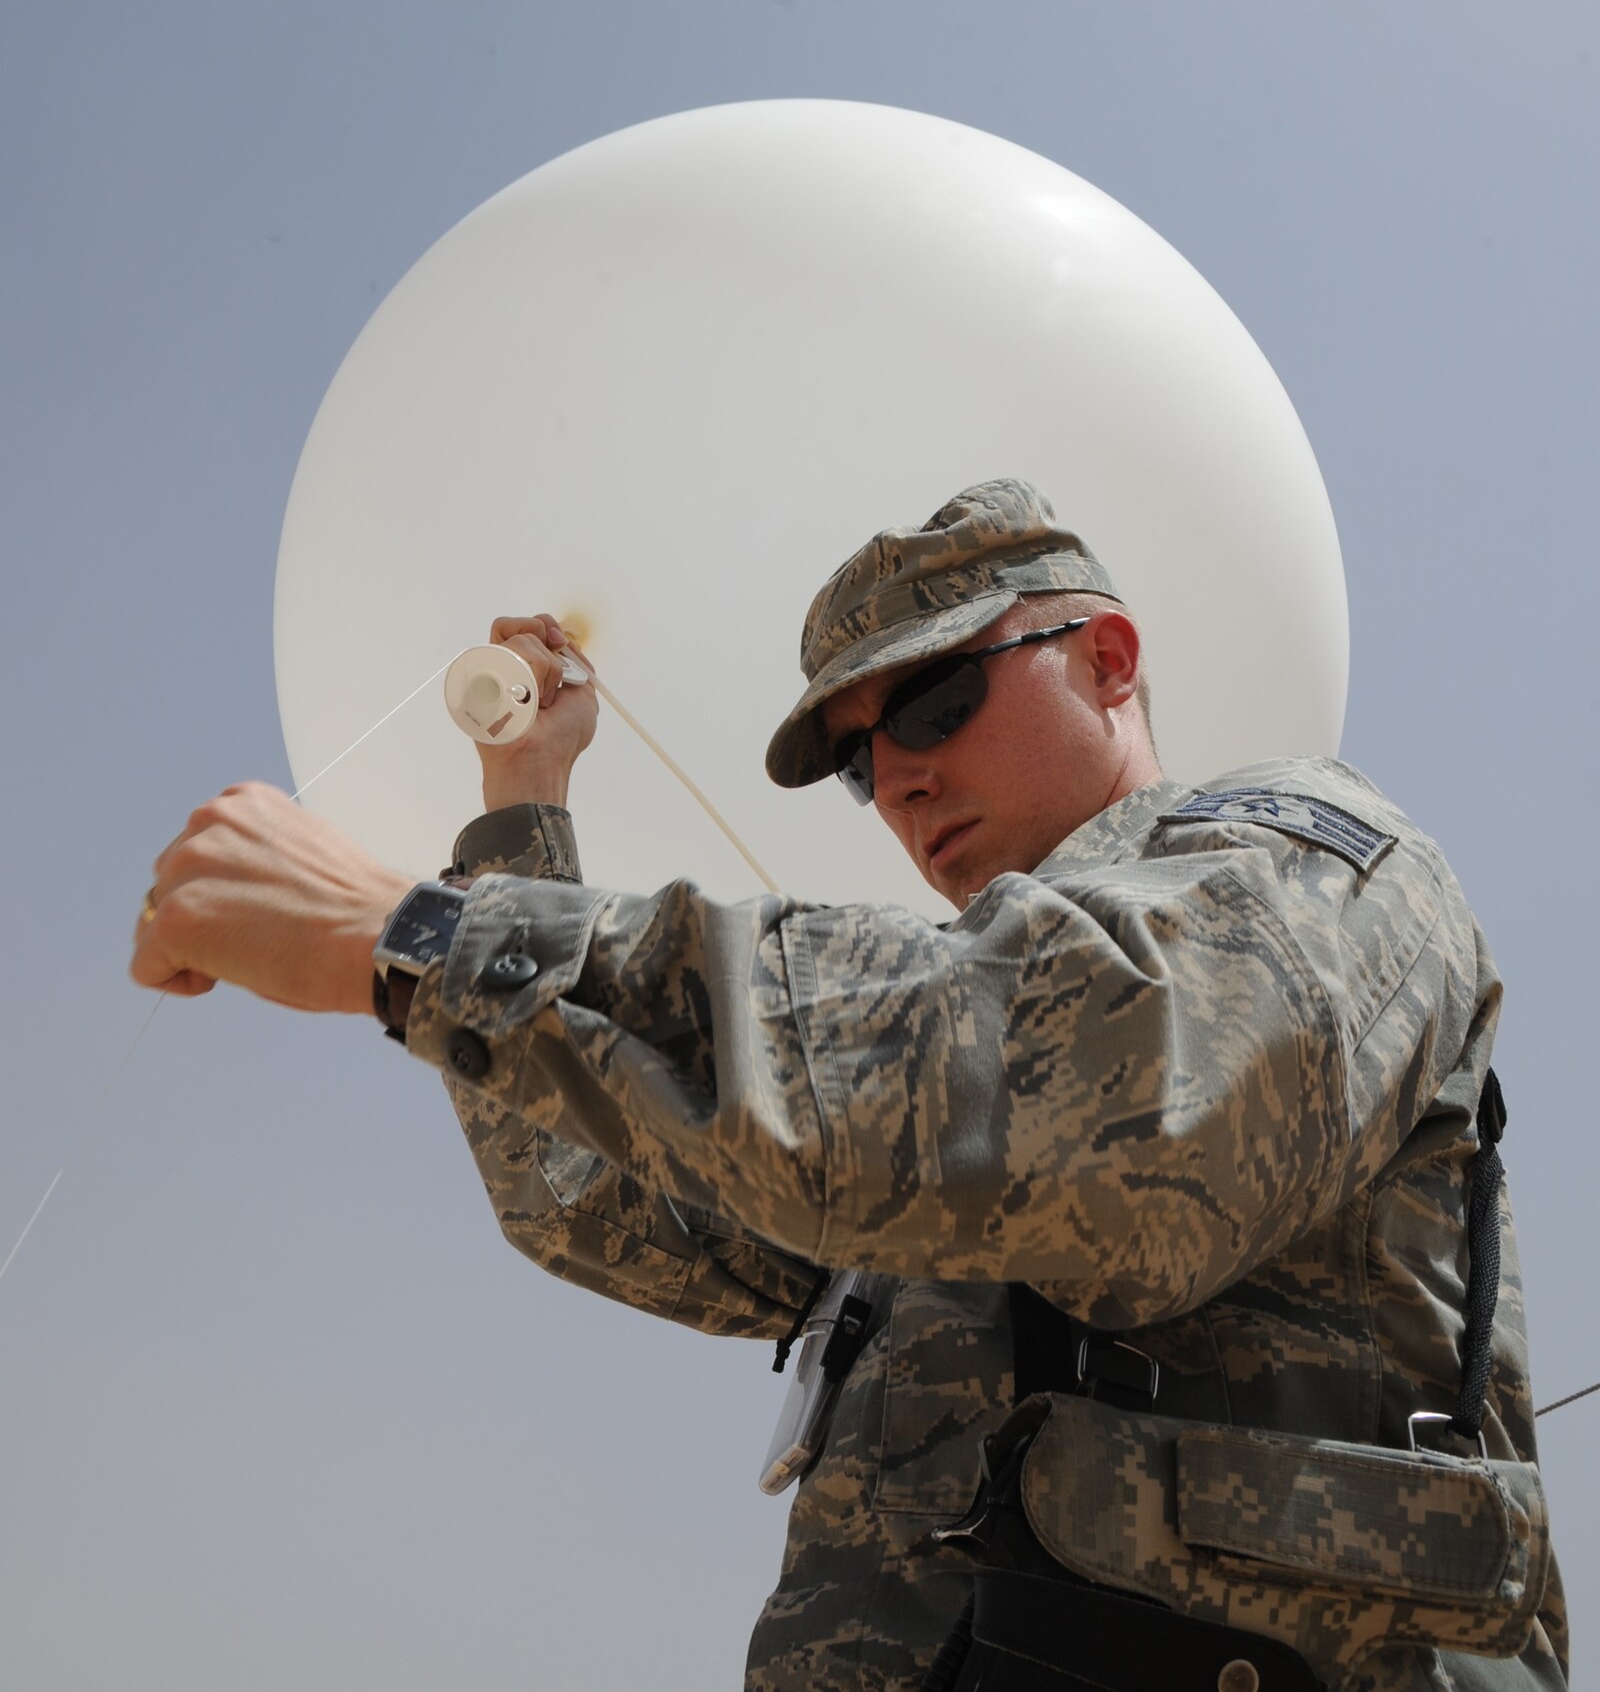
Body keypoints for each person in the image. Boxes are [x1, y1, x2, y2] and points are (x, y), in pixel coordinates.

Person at [132, 478, 1566, 1691]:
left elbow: (1112, 1117)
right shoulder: (888, 1104)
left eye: (939, 701)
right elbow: (609, 1200)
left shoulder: (1303, 865)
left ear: (1111, 657)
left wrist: (427, 940)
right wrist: (523, 814)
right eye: (859, 766)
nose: (904, 781)